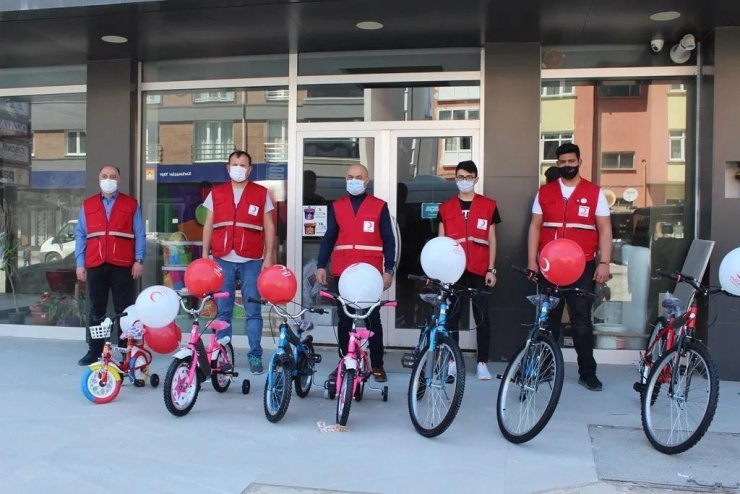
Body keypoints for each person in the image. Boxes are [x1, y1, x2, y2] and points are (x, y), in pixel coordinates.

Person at [527, 142, 612, 391]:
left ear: (579, 162)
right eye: (562, 162)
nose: (567, 166)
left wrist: (604, 263)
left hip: (582, 266)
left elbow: (605, 229)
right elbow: (535, 227)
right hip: (549, 266)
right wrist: (532, 260)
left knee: (581, 322)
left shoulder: (594, 193)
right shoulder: (544, 193)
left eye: (571, 162)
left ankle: (587, 373)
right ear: (557, 164)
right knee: (547, 319)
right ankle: (544, 369)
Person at [315, 164, 395, 382]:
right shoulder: (337, 206)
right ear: (345, 179)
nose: (354, 180)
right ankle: (344, 361)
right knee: (344, 319)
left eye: (359, 177)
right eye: (350, 177)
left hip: (370, 273)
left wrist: (389, 270)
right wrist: (321, 265)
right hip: (344, 272)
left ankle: (377, 364)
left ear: (367, 180)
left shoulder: (379, 206)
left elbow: (389, 239)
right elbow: (329, 237)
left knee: (372, 319)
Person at [202, 150, 275, 375]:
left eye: (243, 164)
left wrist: (269, 256)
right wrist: (205, 254)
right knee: (223, 310)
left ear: (250, 169)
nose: (239, 168)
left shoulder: (261, 193)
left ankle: (254, 355)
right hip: (223, 258)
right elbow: (209, 225)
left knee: (253, 310)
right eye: (235, 164)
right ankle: (223, 356)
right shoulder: (216, 193)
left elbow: (269, 226)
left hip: (252, 259)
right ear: (228, 167)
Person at [75, 165, 145, 366]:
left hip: (123, 264)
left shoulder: (131, 204)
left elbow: (139, 233)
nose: (108, 179)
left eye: (112, 176)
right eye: (104, 176)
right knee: (97, 308)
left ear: (119, 180)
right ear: (99, 179)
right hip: (96, 263)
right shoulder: (87, 205)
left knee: (125, 310)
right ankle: (94, 351)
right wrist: (80, 264)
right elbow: (80, 234)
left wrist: (138, 260)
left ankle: (127, 352)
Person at [438, 160, 499, 380]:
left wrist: (492, 269)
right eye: (461, 177)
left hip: (480, 269)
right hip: (454, 271)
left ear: (476, 179)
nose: (465, 181)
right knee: (452, 317)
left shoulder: (488, 205)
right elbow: (441, 241)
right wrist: (442, 271)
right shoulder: (445, 208)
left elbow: (492, 239)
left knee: (483, 318)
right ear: (455, 179)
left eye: (469, 177)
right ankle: (453, 360)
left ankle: (482, 362)